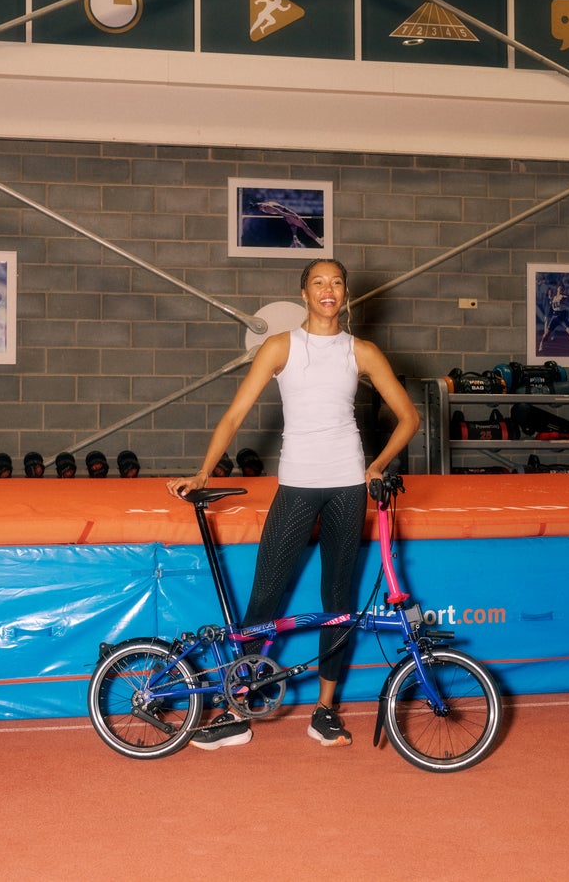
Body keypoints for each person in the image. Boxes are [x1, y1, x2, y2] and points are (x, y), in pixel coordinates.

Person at [166, 259, 421, 750]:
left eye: (337, 282)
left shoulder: (361, 351)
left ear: (345, 293)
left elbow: (408, 417)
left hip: (348, 485)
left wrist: (376, 467)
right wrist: (203, 471)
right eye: (319, 283)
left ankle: (324, 712)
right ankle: (235, 709)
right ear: (303, 293)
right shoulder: (281, 346)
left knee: (338, 604)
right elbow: (235, 414)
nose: (329, 290)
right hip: (297, 484)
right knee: (265, 597)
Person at [538, 282, 569, 352]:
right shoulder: (553, 298)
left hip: (562, 317)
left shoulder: (562, 296)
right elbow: (551, 305)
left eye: (562, 288)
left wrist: (568, 296)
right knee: (547, 334)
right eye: (560, 288)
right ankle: (541, 344)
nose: (561, 289)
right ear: (557, 289)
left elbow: (568, 296)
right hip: (555, 317)